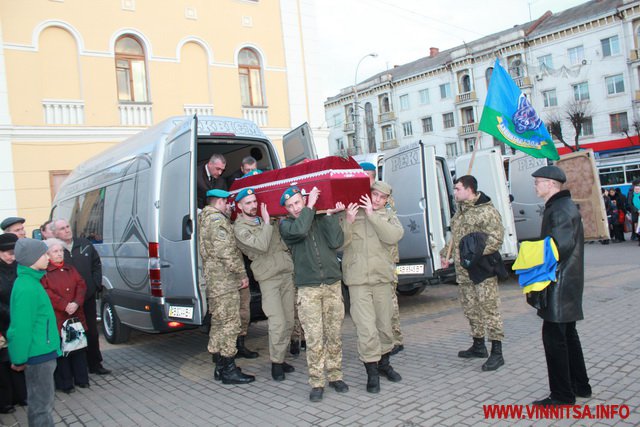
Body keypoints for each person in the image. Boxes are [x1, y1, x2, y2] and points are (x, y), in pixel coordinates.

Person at [279, 186, 349, 402]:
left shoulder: (318, 218)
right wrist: (310, 207)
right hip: (308, 288)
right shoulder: (287, 225)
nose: (295, 208)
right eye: (290, 206)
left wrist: (328, 216)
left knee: (334, 334)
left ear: (304, 199)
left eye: (298, 203)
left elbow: (337, 242)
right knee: (314, 338)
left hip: (331, 284)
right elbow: (301, 230)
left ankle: (335, 375)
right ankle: (317, 381)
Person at [531, 166, 591, 406]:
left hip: (559, 283)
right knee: (568, 336)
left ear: (550, 184)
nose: (535, 186)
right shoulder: (561, 207)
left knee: (554, 339)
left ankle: (562, 396)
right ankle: (580, 386)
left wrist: (531, 257)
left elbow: (559, 247)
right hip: (567, 282)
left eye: (537, 182)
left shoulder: (559, 210)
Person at [341, 181, 403, 393]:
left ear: (386, 200)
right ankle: (372, 373)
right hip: (358, 281)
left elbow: (393, 236)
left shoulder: (388, 216)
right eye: (373, 195)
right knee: (366, 328)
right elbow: (339, 243)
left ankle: (384, 364)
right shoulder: (352, 212)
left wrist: (372, 216)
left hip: (381, 279)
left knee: (384, 325)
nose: (376, 199)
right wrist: (349, 221)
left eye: (381, 197)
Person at [440, 175, 506, 372]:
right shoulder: (460, 212)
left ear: (469, 189)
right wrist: (446, 254)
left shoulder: (487, 211)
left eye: (458, 189)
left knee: (489, 309)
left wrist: (473, 253)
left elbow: (496, 239)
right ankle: (479, 345)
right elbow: (455, 239)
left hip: (482, 269)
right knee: (471, 309)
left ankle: (497, 352)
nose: (455, 192)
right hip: (463, 272)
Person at [233, 188, 295, 381]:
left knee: (290, 321)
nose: (253, 206)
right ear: (240, 206)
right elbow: (261, 245)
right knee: (277, 322)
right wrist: (268, 222)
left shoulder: (267, 218)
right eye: (248, 203)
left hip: (285, 273)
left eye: (254, 201)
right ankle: (276, 364)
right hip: (268, 279)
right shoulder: (240, 228)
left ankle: (281, 356)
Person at [199, 188, 255, 385]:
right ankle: (229, 369)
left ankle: (221, 366)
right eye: (227, 202)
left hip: (216, 283)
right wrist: (241, 274)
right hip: (225, 282)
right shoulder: (217, 221)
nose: (229, 205)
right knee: (231, 324)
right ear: (220, 202)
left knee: (219, 324)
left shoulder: (205, 218)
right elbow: (226, 252)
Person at [7, 238, 61, 427]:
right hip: (38, 355)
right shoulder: (26, 287)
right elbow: (20, 328)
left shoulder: (31, 282)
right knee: (41, 407)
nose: (48, 257)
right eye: (44, 254)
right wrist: (19, 358)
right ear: (32, 259)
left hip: (42, 351)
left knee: (43, 404)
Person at [51, 219, 110, 375]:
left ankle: (95, 364)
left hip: (87, 297)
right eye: (62, 228)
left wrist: (95, 284)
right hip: (66, 303)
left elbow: (96, 264)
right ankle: (76, 368)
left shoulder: (85, 244)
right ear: (55, 233)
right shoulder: (55, 249)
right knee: (69, 333)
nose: (66, 230)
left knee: (91, 331)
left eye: (67, 226)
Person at [41, 238, 90, 394]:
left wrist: (76, 302)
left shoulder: (71, 269)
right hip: (59, 316)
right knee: (63, 350)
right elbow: (47, 293)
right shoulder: (45, 273)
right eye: (55, 251)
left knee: (78, 347)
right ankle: (66, 383)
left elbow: (81, 285)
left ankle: (82, 379)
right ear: (47, 254)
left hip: (75, 315)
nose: (59, 254)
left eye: (61, 251)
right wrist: (64, 305)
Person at [0, 233, 27, 413]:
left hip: (18, 321)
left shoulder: (20, 268)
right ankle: (5, 401)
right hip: (2, 323)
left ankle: (22, 396)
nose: (12, 257)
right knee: (3, 363)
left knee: (18, 357)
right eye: (7, 253)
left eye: (14, 253)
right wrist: (10, 312)